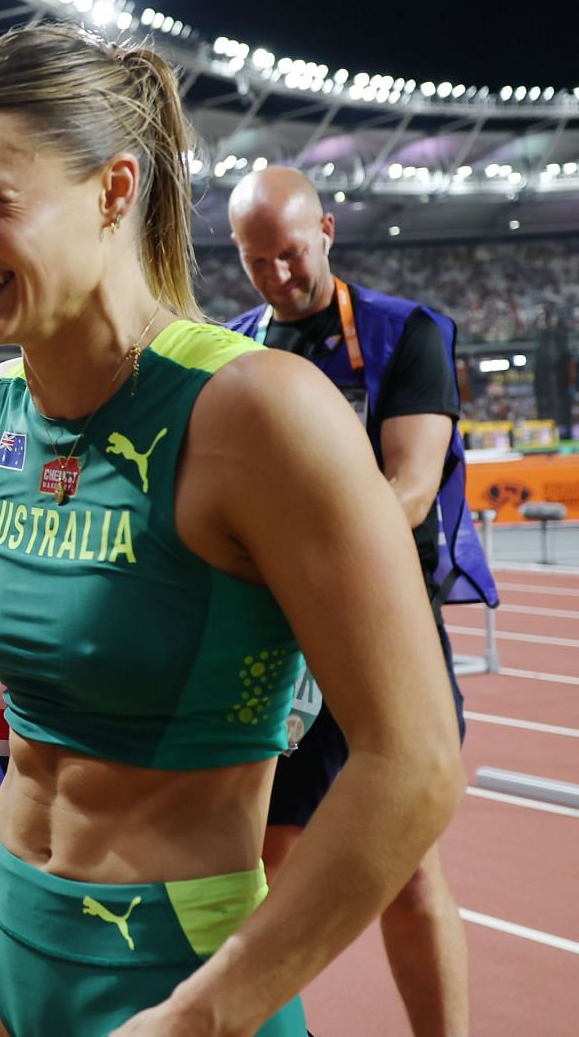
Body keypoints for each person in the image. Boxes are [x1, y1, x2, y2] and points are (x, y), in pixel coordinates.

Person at [0, 23, 462, 1036]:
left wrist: (200, 1017)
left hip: (171, 964)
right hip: (3, 916)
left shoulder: (258, 412)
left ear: (114, 191)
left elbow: (413, 762)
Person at [228, 165, 495, 1037]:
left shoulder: (404, 334)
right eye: (255, 260)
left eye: (291, 254)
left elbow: (411, 488)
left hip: (384, 633)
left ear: (329, 230)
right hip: (272, 645)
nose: (276, 276)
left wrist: (300, 559)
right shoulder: (231, 349)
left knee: (407, 868)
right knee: (258, 870)